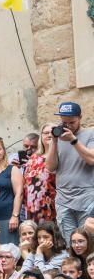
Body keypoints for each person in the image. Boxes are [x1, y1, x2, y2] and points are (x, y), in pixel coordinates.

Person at [45, 101, 94, 238]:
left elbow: (91, 159)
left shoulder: (90, 134)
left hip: (87, 198)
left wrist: (73, 140)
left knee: (88, 242)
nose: (68, 126)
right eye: (64, 122)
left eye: (72, 122)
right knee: (69, 244)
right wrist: (54, 142)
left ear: (80, 118)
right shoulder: (58, 137)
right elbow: (50, 167)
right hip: (64, 200)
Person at [22, 123, 57, 223]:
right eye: (46, 133)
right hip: (31, 206)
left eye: (52, 132)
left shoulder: (60, 155)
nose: (50, 135)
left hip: (50, 205)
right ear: (41, 136)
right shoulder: (34, 157)